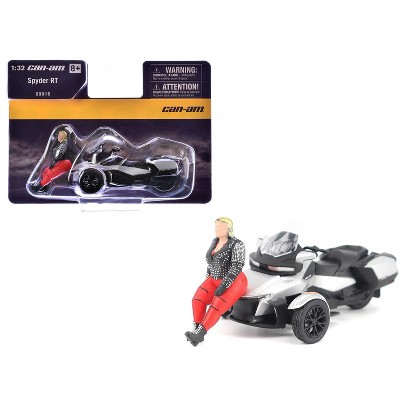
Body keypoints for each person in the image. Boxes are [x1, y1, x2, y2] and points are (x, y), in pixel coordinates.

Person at [185, 217, 248, 346]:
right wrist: (207, 278)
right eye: (215, 226)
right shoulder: (215, 241)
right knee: (197, 299)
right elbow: (211, 263)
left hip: (235, 280)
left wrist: (225, 284)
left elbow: (237, 265)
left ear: (228, 229)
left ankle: (199, 334)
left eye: (219, 227)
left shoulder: (237, 244)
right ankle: (196, 330)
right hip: (214, 278)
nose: (216, 229)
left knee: (216, 306)